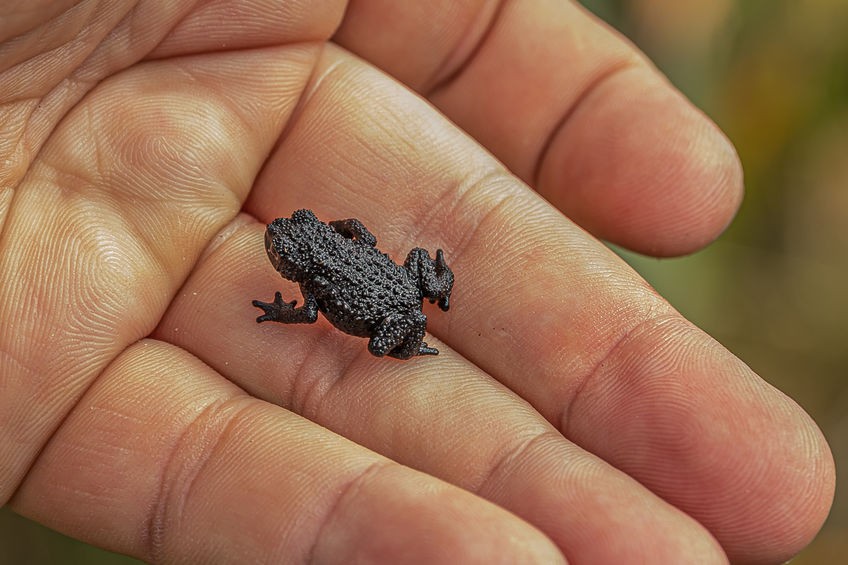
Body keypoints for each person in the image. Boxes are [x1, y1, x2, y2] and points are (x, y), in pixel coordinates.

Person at [0, 1, 834, 563]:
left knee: (388, 341)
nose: (283, 249)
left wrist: (305, 309)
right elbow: (347, 256)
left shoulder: (317, 281)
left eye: (287, 246)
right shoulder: (330, 255)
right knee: (410, 292)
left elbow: (308, 312)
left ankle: (419, 323)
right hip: (398, 287)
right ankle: (432, 292)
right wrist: (338, 267)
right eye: (286, 249)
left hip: (390, 316)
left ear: (299, 254)